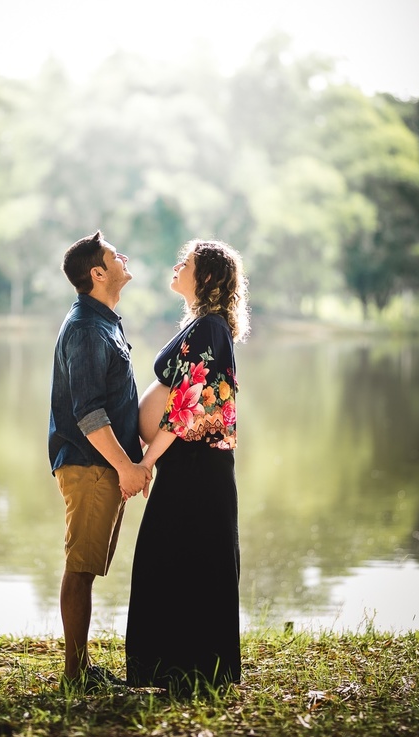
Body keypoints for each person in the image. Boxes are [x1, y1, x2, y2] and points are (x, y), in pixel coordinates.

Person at [125, 238, 249, 693]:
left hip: (197, 466)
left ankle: (193, 671)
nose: (178, 265)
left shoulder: (211, 328)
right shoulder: (201, 325)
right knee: (170, 560)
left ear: (209, 278)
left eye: (188, 262)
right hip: (189, 467)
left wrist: (145, 460)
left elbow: (190, 405)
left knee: (180, 561)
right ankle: (170, 670)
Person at [49, 230, 153, 692]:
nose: (123, 257)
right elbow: (89, 414)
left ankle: (81, 669)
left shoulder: (104, 320)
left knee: (87, 565)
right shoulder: (88, 328)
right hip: (92, 466)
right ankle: (75, 676)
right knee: (80, 566)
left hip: (105, 466)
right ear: (98, 273)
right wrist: (126, 467)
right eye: (115, 256)